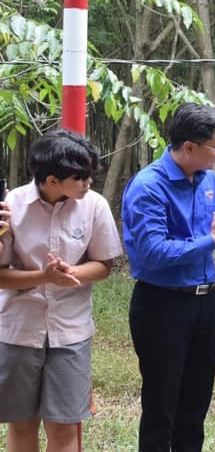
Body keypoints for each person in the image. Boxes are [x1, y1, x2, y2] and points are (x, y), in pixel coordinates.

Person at [122, 103, 215, 452]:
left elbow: (208, 235)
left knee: (195, 406)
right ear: (189, 147)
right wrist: (211, 240)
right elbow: (153, 253)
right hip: (162, 305)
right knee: (161, 407)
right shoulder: (149, 187)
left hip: (204, 302)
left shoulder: (207, 178)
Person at [0, 129, 123, 452]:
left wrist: (69, 273)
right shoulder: (11, 207)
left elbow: (104, 265)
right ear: (52, 181)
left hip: (71, 332)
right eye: (80, 177)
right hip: (18, 330)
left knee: (64, 426)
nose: (88, 183)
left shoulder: (94, 206)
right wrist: (44, 276)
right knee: (22, 424)